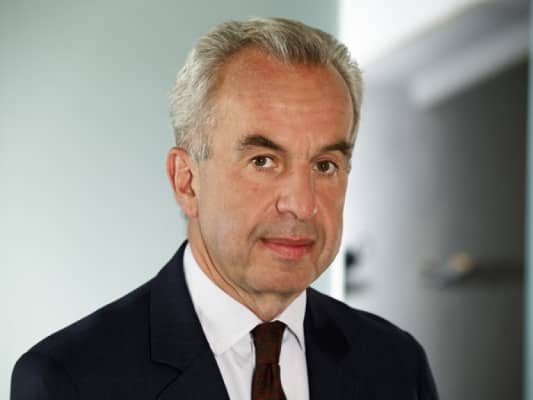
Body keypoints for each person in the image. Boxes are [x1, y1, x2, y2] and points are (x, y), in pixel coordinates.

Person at [11, 17, 438, 400]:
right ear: (186, 181)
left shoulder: (397, 364)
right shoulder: (69, 380)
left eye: (325, 165)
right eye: (263, 161)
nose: (302, 205)